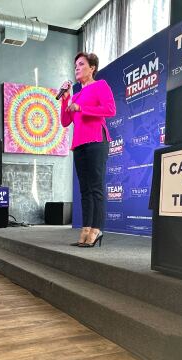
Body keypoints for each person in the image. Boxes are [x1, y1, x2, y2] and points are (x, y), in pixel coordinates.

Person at [60, 51, 116, 248]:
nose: (77, 68)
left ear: (92, 68)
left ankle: (97, 229)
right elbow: (65, 122)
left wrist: (82, 109)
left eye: (81, 64)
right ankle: (86, 228)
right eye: (75, 65)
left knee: (96, 187)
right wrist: (65, 100)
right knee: (84, 190)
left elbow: (110, 110)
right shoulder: (77, 94)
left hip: (96, 140)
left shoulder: (100, 86)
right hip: (80, 144)